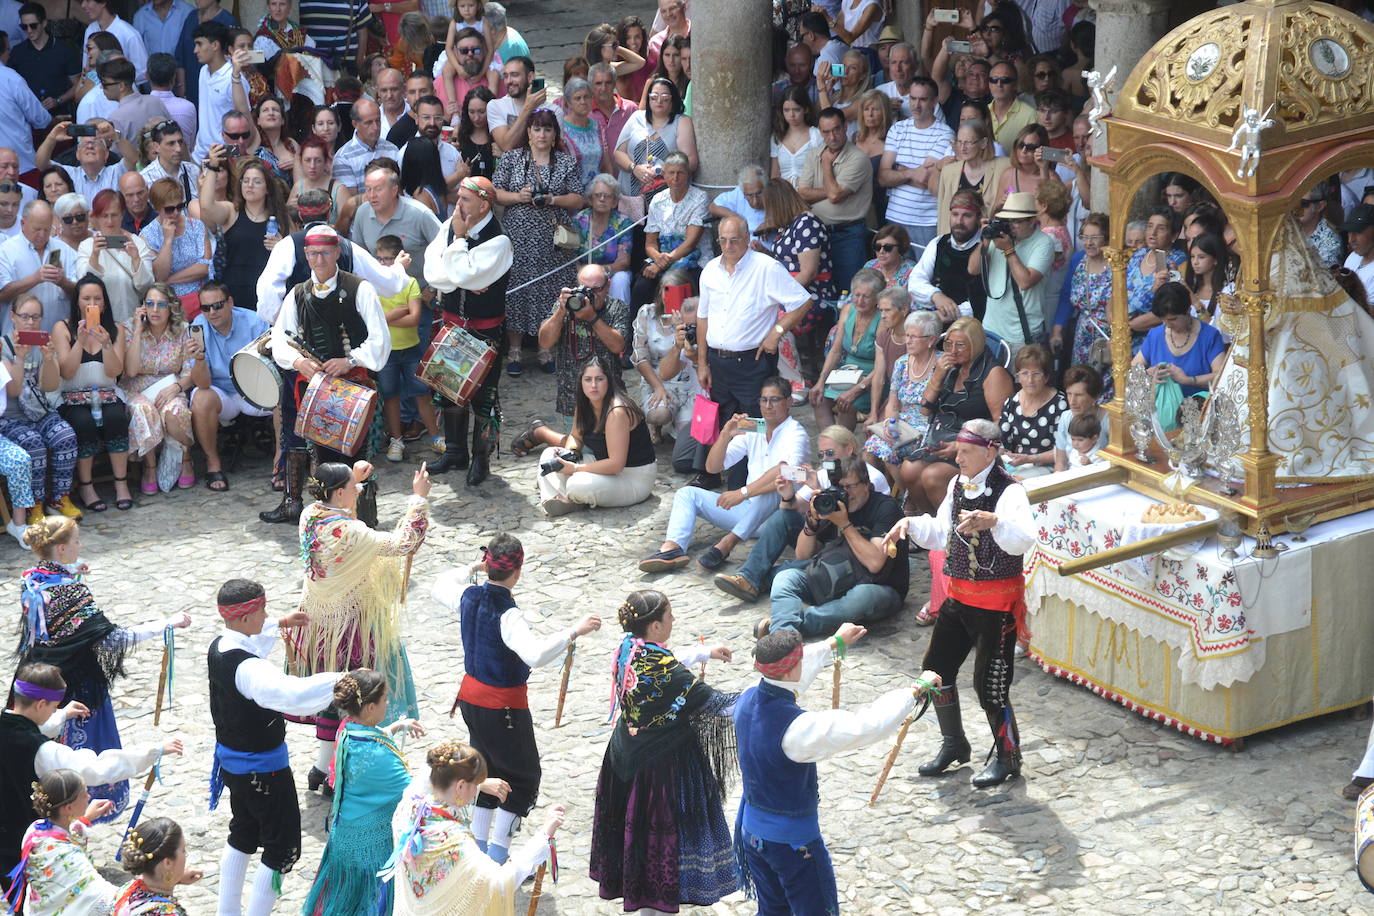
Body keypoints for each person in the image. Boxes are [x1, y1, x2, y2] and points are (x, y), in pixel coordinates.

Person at [734, 627, 941, 915]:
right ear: (793, 666)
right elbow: (866, 726)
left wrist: (833, 644)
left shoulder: (747, 697)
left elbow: (789, 679)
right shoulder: (798, 729)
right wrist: (913, 691)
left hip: (752, 834)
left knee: (773, 911)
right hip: (792, 845)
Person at [426, 533, 597, 863]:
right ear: (518, 572)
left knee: (485, 770)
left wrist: (471, 567)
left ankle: (477, 849)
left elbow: (440, 583)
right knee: (521, 777)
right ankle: (498, 855)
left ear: (487, 564)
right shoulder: (508, 614)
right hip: (501, 708)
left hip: (471, 703)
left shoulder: (468, 595)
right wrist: (573, 631)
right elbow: (534, 655)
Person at [884, 417, 1035, 788]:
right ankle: (954, 744)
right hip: (960, 597)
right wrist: (911, 526)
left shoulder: (1010, 492)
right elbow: (941, 533)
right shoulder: (956, 484)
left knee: (990, 686)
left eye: (966, 452)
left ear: (990, 451)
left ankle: (1008, 756)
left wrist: (995, 521)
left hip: (996, 606)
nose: (959, 459)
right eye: (958, 451)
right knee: (934, 672)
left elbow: (1024, 540)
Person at [17, 517, 191, 815]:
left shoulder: (32, 578)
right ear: (60, 548)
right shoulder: (71, 593)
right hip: (74, 689)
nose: (80, 546)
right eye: (76, 542)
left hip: (34, 681)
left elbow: (57, 622)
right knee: (78, 765)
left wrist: (73, 571)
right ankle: (77, 818)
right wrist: (166, 623)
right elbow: (113, 641)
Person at [589, 589, 737, 912]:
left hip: (623, 756)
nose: (674, 620)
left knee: (640, 846)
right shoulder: (670, 673)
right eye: (669, 616)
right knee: (659, 852)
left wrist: (702, 653)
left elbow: (662, 660)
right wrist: (768, 692)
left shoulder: (627, 647)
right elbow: (720, 707)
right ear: (654, 626)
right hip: (657, 770)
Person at [292, 461, 429, 797]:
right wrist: (418, 500)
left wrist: (353, 475)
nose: (359, 490)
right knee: (355, 699)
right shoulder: (355, 534)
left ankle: (321, 768)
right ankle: (342, 774)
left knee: (330, 698)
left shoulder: (309, 514)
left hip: (318, 624)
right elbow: (403, 543)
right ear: (339, 492)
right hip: (353, 627)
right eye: (353, 486)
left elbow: (343, 509)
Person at [204, 578, 337, 916]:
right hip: (263, 769)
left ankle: (227, 912)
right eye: (263, 611)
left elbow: (251, 644)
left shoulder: (220, 645)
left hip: (233, 764)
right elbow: (290, 694)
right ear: (246, 617)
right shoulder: (250, 670)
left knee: (244, 832)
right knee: (282, 848)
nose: (266, 616)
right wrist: (343, 679)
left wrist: (279, 623)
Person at [0, 662, 179, 887]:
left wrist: (62, 715)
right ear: (41, 703)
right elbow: (94, 768)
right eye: (53, 706)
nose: (54, 711)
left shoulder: (6, 724)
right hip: (27, 843)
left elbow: (26, 726)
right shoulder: (41, 750)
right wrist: (153, 752)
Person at [264, 225, 392, 524]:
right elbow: (280, 338)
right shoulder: (298, 294)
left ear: (336, 252)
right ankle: (332, 524)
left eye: (324, 253)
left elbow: (380, 339)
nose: (318, 260)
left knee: (356, 458)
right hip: (318, 391)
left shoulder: (360, 288)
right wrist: (299, 362)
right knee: (323, 459)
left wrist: (350, 360)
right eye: (312, 254)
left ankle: (362, 522)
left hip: (356, 388)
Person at [641, 375, 809, 572]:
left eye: (775, 400)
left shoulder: (796, 433)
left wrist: (743, 492)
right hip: (749, 512)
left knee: (774, 489)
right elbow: (713, 468)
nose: (768, 405)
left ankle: (726, 544)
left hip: (779, 516)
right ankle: (673, 548)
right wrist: (725, 434)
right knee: (686, 494)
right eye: (764, 400)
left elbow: (792, 474)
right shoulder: (755, 426)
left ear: (788, 402)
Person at [695, 217, 812, 489]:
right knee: (722, 419)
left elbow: (802, 302)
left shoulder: (767, 268)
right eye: (723, 240)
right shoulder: (710, 270)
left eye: (734, 239)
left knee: (754, 422)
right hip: (718, 359)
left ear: (747, 238)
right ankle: (713, 472)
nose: (728, 245)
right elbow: (703, 318)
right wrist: (702, 362)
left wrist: (777, 333)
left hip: (752, 361)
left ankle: (744, 481)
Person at [385, 740, 563, 912]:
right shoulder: (456, 842)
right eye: (475, 785)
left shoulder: (408, 808)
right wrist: (543, 836)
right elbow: (499, 883)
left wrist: (478, 783)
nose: (475, 792)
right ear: (460, 786)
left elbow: (426, 776)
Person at [300, 669, 424, 916]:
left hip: (343, 836)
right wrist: (475, 783)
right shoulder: (377, 756)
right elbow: (416, 792)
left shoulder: (348, 728)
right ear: (369, 708)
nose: (387, 703)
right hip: (368, 849)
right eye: (385, 699)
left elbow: (373, 735)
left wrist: (397, 726)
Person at [423, 176, 513, 483]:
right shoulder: (449, 225)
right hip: (452, 324)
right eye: (458, 198)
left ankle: (481, 460)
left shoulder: (498, 240)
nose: (457, 204)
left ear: (484, 204)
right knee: (449, 391)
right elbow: (434, 273)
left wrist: (460, 253)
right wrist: (462, 276)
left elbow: (461, 273)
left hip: (485, 332)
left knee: (483, 399)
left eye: (465, 200)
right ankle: (455, 452)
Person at [755, 455, 907, 638]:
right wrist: (811, 522)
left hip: (878, 586)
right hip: (833, 580)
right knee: (785, 578)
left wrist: (844, 524)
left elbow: (875, 563)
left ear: (866, 483)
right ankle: (786, 629)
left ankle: (787, 629)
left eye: (850, 486)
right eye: (839, 487)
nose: (845, 493)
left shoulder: (885, 508)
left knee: (862, 597)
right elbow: (803, 555)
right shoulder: (832, 502)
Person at [492, 108, 584, 376]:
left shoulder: (566, 162)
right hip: (518, 236)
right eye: (536, 128)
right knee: (517, 289)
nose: (542, 134)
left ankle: (546, 350)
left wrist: (553, 199)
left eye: (547, 129)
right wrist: (518, 197)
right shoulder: (512, 159)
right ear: (528, 132)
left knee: (551, 290)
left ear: (555, 134)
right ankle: (515, 351)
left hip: (553, 239)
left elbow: (578, 198)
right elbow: (495, 193)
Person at [902, 316, 1012, 514]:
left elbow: (1001, 424)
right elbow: (925, 409)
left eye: (960, 345)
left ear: (976, 345)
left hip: (976, 446)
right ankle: (936, 524)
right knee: (908, 471)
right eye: (949, 344)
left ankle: (955, 530)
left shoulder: (993, 373)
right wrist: (937, 376)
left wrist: (963, 445)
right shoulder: (950, 368)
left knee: (932, 476)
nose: (953, 351)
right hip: (942, 438)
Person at [528, 355, 657, 514]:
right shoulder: (584, 403)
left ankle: (570, 496)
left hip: (633, 477)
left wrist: (575, 468)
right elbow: (575, 437)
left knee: (577, 483)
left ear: (608, 381)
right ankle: (557, 499)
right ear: (581, 382)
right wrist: (570, 453)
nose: (593, 385)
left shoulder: (616, 411)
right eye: (588, 379)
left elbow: (617, 464)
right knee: (549, 454)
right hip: (604, 465)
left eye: (599, 379)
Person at [53, 274, 134, 510]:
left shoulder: (116, 329)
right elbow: (67, 372)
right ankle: (86, 486)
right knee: (83, 422)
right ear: (77, 301)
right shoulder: (63, 328)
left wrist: (107, 344)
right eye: (86, 298)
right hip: (72, 395)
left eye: (97, 299)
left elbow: (116, 371)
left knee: (116, 417)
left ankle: (121, 483)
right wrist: (79, 341)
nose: (92, 304)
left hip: (106, 391)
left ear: (105, 303)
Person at [0, 294, 79, 518]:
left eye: (36, 317)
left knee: (65, 435)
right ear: (13, 317)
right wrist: (19, 359)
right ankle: (34, 505)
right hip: (10, 417)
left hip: (39, 410)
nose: (30, 322)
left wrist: (50, 358)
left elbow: (49, 385)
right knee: (33, 444)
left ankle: (59, 498)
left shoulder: (42, 344)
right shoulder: (4, 345)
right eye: (25, 316)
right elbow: (13, 391)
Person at [12, 769, 120, 914]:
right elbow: (101, 895)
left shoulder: (34, 830)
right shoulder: (68, 857)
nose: (89, 797)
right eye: (84, 794)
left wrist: (86, 818)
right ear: (69, 808)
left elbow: (67, 835)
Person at [121, 280, 194, 491]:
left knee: (175, 412)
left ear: (171, 307)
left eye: (161, 304)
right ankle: (150, 466)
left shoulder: (182, 330)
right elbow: (132, 371)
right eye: (149, 303)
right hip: (136, 388)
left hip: (170, 386)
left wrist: (177, 388)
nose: (155, 310)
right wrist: (137, 330)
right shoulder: (128, 328)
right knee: (143, 409)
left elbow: (190, 370)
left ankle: (186, 459)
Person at [760, 178, 833, 387]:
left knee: (778, 322)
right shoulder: (789, 225)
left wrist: (780, 298)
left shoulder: (806, 223)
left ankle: (797, 381)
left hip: (812, 294)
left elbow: (808, 272)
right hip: (790, 291)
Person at [374, 235, 439, 463]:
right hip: (387, 352)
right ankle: (396, 440)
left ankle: (435, 437)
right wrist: (398, 312)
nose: (384, 264)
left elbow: (414, 319)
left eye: (389, 259)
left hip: (411, 349)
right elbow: (374, 320)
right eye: (380, 259)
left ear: (401, 259)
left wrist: (384, 318)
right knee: (391, 396)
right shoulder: (372, 285)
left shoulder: (409, 282)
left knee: (422, 393)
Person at [796, 107, 873, 298]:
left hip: (848, 234)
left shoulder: (858, 158)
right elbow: (803, 193)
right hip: (817, 233)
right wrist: (830, 190)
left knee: (848, 293)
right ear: (820, 132)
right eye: (826, 132)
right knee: (819, 291)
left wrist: (826, 165)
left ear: (846, 127)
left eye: (837, 129)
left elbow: (836, 196)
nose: (832, 136)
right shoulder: (814, 153)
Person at [197, 155, 289, 314]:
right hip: (233, 294)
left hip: (266, 297)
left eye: (257, 181)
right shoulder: (231, 211)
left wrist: (282, 247)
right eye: (245, 181)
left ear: (267, 188)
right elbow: (206, 206)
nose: (250, 185)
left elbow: (294, 254)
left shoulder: (280, 217)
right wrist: (212, 167)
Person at [535, 263, 630, 416]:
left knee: (609, 439)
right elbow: (544, 342)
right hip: (571, 397)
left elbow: (618, 346)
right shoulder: (567, 306)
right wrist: (560, 312)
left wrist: (592, 318)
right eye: (585, 289)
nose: (591, 295)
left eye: (596, 289)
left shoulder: (617, 308)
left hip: (609, 396)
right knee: (574, 440)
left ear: (608, 286)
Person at [967, 191, 1051, 352]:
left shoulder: (1044, 243)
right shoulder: (999, 237)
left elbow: (1025, 282)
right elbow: (973, 269)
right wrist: (985, 240)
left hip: (1022, 336)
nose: (1010, 226)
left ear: (1033, 221)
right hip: (991, 331)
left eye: (1017, 221)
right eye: (1007, 220)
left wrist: (1008, 251)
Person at [879, 76, 953, 253]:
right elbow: (882, 177)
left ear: (935, 101)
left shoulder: (945, 134)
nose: (916, 105)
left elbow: (927, 179)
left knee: (924, 277)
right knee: (895, 277)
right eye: (912, 98)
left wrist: (899, 170)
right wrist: (911, 173)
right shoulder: (897, 129)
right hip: (894, 217)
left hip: (926, 221)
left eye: (923, 99)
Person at [1131, 281, 1226, 410]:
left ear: (1187, 311)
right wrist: (1148, 374)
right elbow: (1133, 371)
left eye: (1173, 319)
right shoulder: (1155, 335)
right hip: (1163, 414)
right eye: (1163, 319)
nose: (1167, 324)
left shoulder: (1209, 336)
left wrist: (1189, 380)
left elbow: (1221, 377)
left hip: (1199, 413)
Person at [866, 308, 940, 469]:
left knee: (888, 450)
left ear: (931, 340)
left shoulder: (941, 365)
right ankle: (881, 491)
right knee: (870, 447)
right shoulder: (902, 363)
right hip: (903, 422)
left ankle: (906, 492)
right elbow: (893, 403)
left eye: (913, 337)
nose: (908, 341)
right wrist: (890, 424)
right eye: (907, 335)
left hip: (929, 426)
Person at [613, 76, 696, 219]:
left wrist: (665, 170)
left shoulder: (681, 122)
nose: (659, 101)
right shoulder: (637, 117)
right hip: (632, 199)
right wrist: (635, 168)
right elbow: (618, 153)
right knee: (632, 239)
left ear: (673, 100)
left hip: (666, 200)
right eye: (654, 96)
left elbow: (691, 161)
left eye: (665, 97)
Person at [811, 267, 881, 430]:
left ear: (877, 298)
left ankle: (843, 450)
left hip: (872, 375)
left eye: (866, 297)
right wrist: (820, 381)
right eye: (856, 295)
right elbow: (836, 350)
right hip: (848, 370)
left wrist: (856, 390)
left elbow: (882, 366)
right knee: (819, 399)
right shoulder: (849, 309)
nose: (860, 301)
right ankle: (832, 450)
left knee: (847, 404)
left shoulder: (882, 318)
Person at [76, 189, 154, 326]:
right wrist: (95, 255)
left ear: (122, 215)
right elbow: (83, 286)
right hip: (98, 323)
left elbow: (146, 287)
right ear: (96, 217)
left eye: (114, 215)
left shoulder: (138, 243)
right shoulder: (86, 246)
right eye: (104, 216)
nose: (109, 221)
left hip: (132, 322)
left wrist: (136, 259)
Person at [910, 188, 986, 324]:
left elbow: (986, 297)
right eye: (955, 214)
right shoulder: (939, 243)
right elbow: (916, 279)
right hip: (937, 320)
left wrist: (951, 312)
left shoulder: (988, 247)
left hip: (973, 326)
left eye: (967, 215)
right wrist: (935, 295)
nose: (959, 221)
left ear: (979, 218)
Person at [0, 201, 77, 332]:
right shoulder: (5, 251)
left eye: (47, 229)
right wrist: (35, 278)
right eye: (36, 229)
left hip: (58, 337)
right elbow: (2, 294)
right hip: (19, 339)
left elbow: (81, 292)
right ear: (23, 224)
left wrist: (63, 282)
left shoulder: (65, 250)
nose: (42, 235)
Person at [640, 150, 708, 296]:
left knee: (685, 282)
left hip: (692, 257)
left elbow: (690, 244)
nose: (675, 178)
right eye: (671, 173)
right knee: (642, 286)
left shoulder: (700, 198)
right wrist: (658, 258)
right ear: (664, 174)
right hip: (662, 256)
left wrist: (661, 264)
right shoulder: (657, 200)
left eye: (680, 173)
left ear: (688, 174)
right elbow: (650, 243)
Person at [1050, 211, 1111, 368]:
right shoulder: (1078, 259)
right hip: (1082, 335)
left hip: (1108, 337)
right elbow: (1066, 297)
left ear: (1107, 238)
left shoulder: (1116, 263)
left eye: (1095, 238)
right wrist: (1057, 331)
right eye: (1084, 237)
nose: (1089, 242)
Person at [138, 177, 210, 305]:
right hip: (169, 303)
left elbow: (203, 268)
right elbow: (159, 276)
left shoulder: (196, 226)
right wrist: (167, 241)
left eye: (180, 206)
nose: (176, 213)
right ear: (156, 208)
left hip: (200, 299)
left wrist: (169, 280)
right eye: (169, 209)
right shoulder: (148, 235)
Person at [998, 343, 1065, 478]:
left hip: (1047, 466)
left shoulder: (1060, 404)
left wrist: (1029, 459)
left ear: (1046, 377)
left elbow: (1064, 450)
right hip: (1017, 464)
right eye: (1024, 373)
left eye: (1036, 374)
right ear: (1018, 376)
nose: (1030, 380)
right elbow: (1003, 442)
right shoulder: (1012, 402)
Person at [1125, 207, 1188, 346]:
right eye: (1150, 226)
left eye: (1161, 229)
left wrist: (1130, 325)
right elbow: (1118, 291)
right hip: (1123, 333)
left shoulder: (1176, 261)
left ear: (1173, 235)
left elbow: (1171, 306)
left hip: (1152, 337)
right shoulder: (1139, 255)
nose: (1152, 233)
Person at [112, 816, 201, 915]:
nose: (186, 854)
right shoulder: (167, 913)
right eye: (183, 850)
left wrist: (176, 878)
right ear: (167, 863)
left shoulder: (126, 890)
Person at [10, 5, 80, 118]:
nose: (28, 31)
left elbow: (78, 85)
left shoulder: (65, 49)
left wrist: (58, 100)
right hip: (28, 118)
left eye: (33, 26)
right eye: (24, 27)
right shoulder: (17, 52)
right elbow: (10, 87)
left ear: (44, 23)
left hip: (59, 117)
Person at [573, 173, 633, 304]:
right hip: (583, 274)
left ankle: (619, 318)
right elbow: (572, 257)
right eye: (598, 195)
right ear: (590, 199)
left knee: (621, 279)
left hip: (612, 273)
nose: (602, 199)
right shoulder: (579, 221)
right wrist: (585, 275)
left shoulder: (623, 222)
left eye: (608, 196)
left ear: (615, 202)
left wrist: (600, 273)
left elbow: (623, 262)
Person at [332, 98, 399, 193]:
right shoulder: (344, 158)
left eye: (378, 121)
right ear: (355, 124)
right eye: (369, 123)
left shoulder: (392, 149)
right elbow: (350, 201)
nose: (375, 127)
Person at [1051, 363, 1107, 471]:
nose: (1072, 402)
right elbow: (1060, 462)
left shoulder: (1110, 421)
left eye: (1079, 395)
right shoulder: (1066, 417)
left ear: (1095, 397)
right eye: (1069, 394)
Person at [138, 119, 199, 204]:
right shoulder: (145, 179)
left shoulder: (194, 171)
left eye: (180, 142)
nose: (178, 149)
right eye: (171, 144)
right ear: (156, 147)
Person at [1184, 231, 1238, 327]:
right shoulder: (1192, 285)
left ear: (1215, 259)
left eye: (1201, 257)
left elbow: (1220, 333)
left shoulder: (1228, 291)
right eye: (1192, 257)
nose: (1195, 262)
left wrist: (1196, 303)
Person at [456, 85, 497, 181]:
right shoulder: (460, 134)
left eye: (482, 112)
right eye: (471, 112)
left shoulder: (499, 133)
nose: (476, 118)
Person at [1297, 181, 1341, 269]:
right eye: (1293, 202)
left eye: (1303, 203)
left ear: (1320, 206)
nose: (1296, 208)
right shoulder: (1287, 227)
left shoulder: (1330, 243)